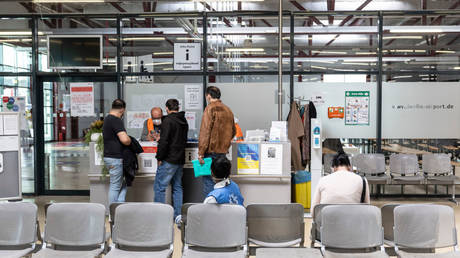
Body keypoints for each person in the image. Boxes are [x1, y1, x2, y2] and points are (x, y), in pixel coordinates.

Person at [154, 99, 188, 222]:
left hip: (168, 159)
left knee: (160, 187)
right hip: (179, 159)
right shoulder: (184, 120)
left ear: (167, 109)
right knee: (177, 187)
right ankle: (178, 216)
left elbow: (164, 142)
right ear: (178, 108)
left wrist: (159, 157)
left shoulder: (168, 120)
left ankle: (159, 216)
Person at [198, 86, 236, 197]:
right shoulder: (228, 110)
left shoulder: (210, 109)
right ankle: (223, 207)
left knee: (209, 182)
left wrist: (201, 153)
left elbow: (205, 132)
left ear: (208, 96)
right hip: (223, 153)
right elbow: (233, 131)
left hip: (210, 152)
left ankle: (210, 210)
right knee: (223, 182)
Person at [311, 151, 370, 216]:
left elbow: (313, 212)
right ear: (349, 167)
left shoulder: (323, 180)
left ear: (334, 168)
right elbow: (367, 209)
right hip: (353, 223)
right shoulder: (362, 180)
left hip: (328, 224)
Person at [103, 99, 132, 205]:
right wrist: (129, 140)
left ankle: (119, 205)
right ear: (122, 110)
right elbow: (125, 139)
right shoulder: (115, 120)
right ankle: (113, 214)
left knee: (123, 182)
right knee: (115, 186)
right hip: (115, 158)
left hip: (109, 157)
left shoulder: (107, 119)